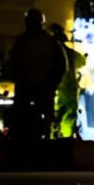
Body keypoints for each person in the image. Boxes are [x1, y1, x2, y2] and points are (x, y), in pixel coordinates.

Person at [7, 8, 65, 142]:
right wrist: (52, 85)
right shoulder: (50, 42)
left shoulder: (21, 42)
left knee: (23, 125)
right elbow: (61, 66)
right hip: (43, 92)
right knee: (45, 125)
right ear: (42, 22)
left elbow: (12, 65)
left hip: (26, 91)